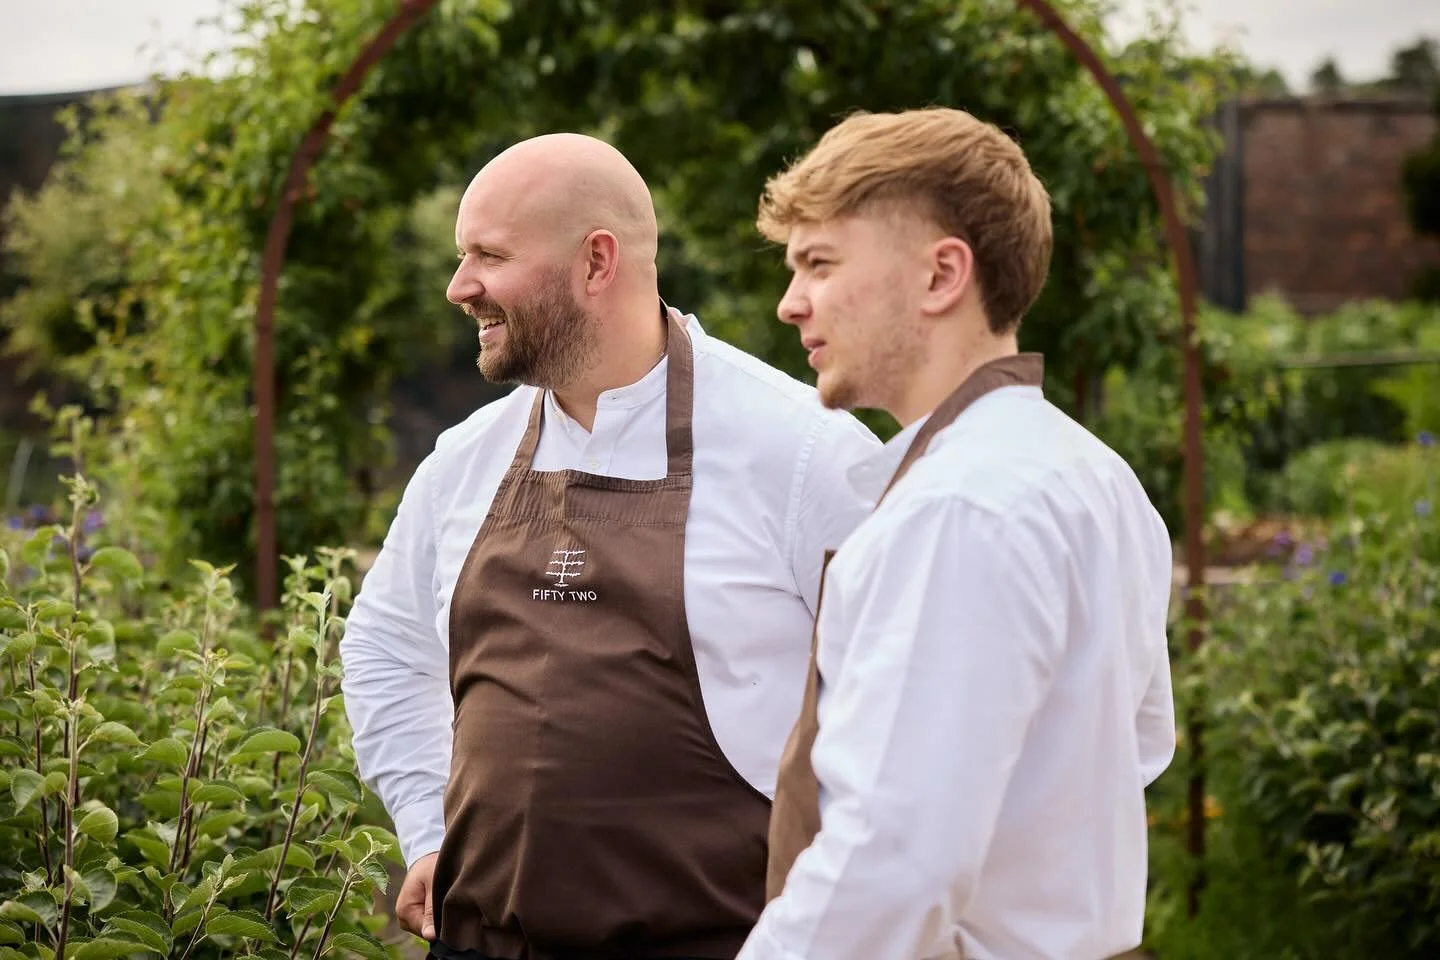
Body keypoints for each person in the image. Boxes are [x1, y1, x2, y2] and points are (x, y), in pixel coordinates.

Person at [338, 133, 880, 960]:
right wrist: (425, 824)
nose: (459, 287)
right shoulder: (466, 459)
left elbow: (897, 718)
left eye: (488, 254)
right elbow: (385, 645)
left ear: (597, 263)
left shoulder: (805, 453)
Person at [735, 108, 1177, 960]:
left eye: (819, 264)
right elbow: (1141, 746)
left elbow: (893, 863)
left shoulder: (957, 509)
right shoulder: (1095, 476)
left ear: (942, 276)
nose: (792, 304)